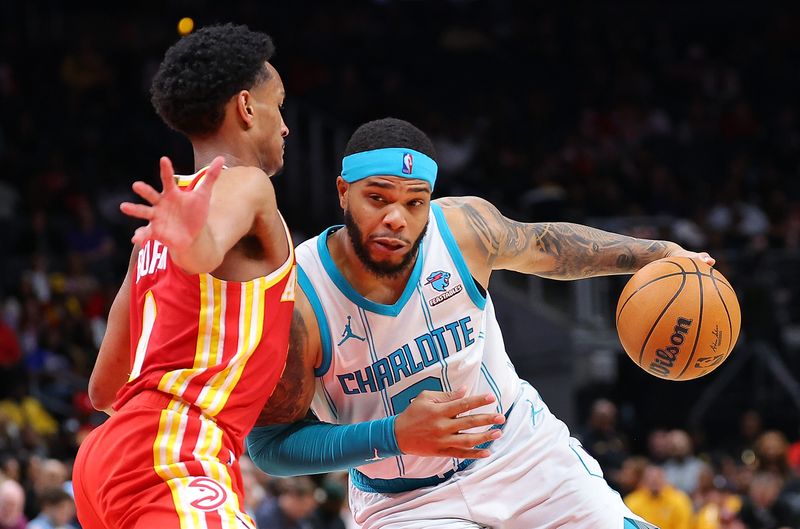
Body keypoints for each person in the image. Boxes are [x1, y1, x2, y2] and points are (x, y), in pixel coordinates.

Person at [247, 117, 715, 528]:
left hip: (519, 451)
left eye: (415, 203)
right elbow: (269, 447)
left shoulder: (463, 230)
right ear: (343, 193)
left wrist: (660, 254)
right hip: (405, 500)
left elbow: (548, 247)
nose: (396, 218)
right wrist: (392, 435)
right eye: (377, 198)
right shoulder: (298, 300)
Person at [72, 24, 295, 529]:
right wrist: (197, 246)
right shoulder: (247, 185)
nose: (284, 124)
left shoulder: (154, 235)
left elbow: (104, 391)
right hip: (177, 445)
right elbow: (206, 247)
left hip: (109, 456)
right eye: (278, 104)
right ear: (245, 106)